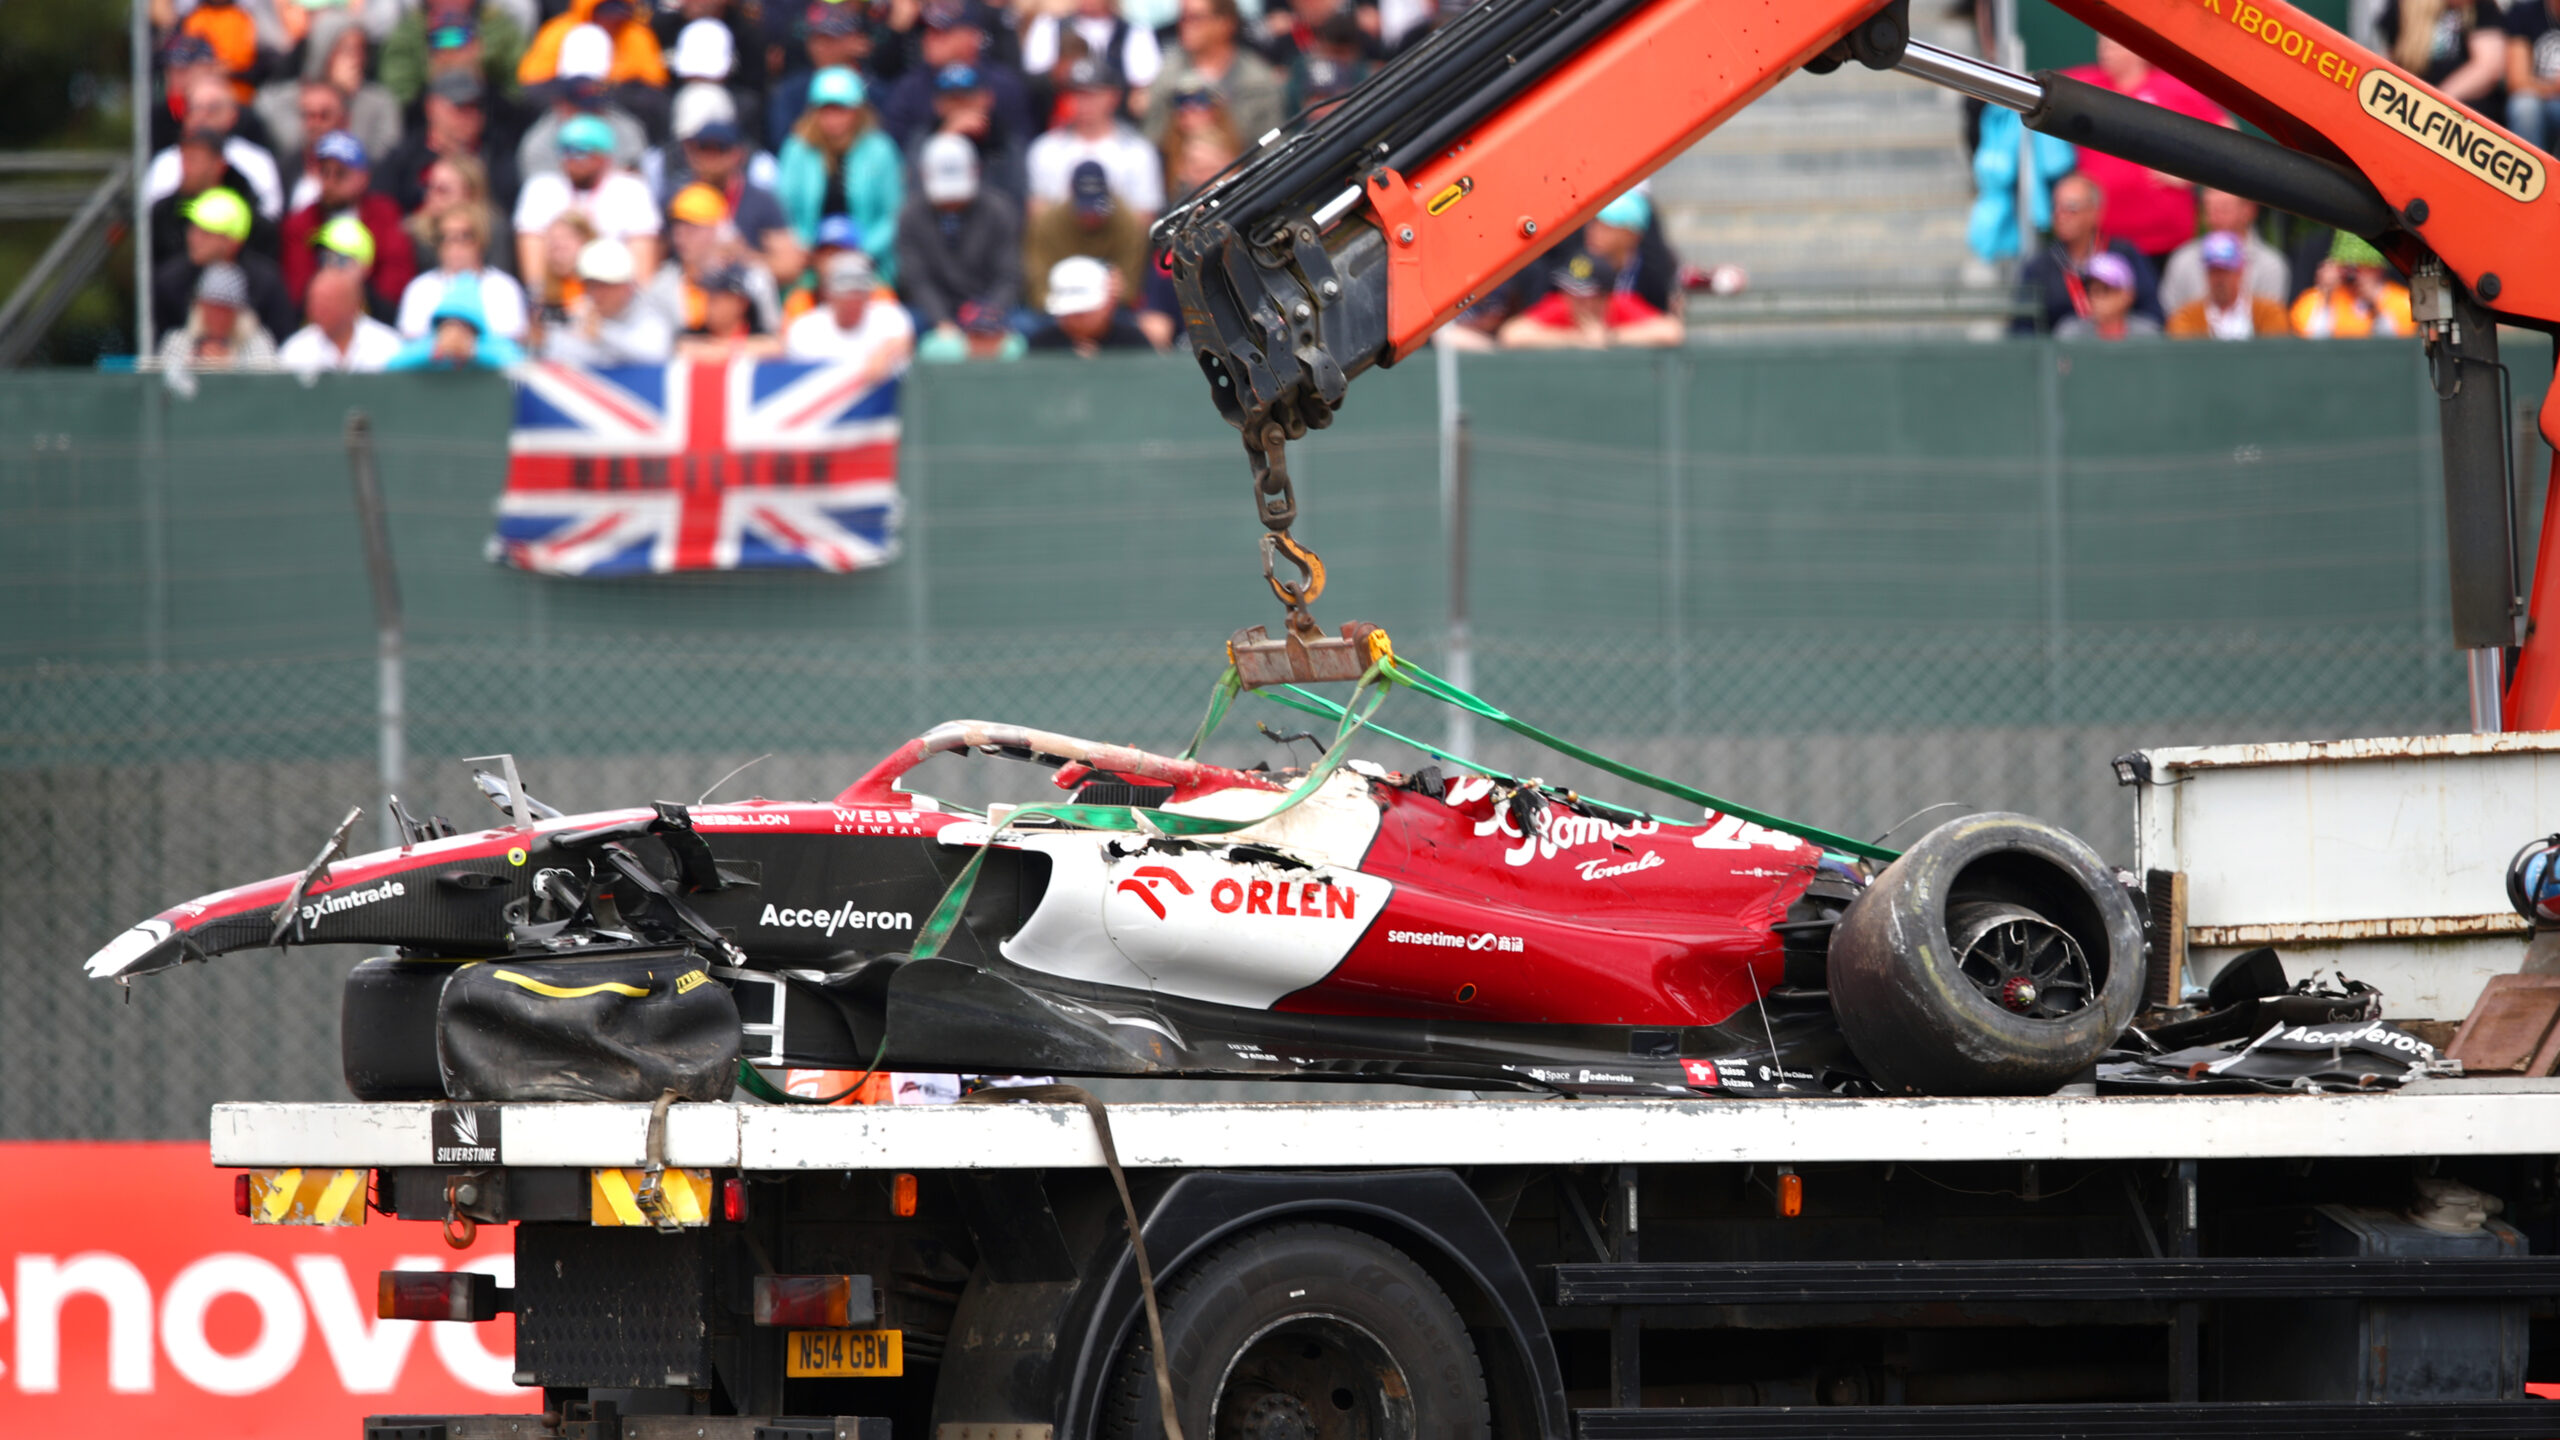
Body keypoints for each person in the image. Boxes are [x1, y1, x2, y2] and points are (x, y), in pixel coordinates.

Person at [2056, 37, 2227, 265]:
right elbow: (2044, 89)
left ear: (2138, 50)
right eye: (2102, 44)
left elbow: (2225, 133)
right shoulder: (2088, 83)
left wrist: (2189, 172)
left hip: (2166, 241)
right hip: (2103, 241)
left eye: (2114, 43)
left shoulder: (2170, 89)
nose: (2105, 51)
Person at [777, 67, 908, 277]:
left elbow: (894, 213)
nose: (833, 117)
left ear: (858, 111)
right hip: (809, 262)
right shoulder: (797, 149)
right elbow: (784, 208)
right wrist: (809, 251)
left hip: (869, 262)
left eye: (841, 109)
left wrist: (864, 251)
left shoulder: (880, 150)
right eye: (826, 109)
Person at [516, 114, 665, 297]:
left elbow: (643, 275)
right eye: (565, 150)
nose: (572, 158)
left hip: (614, 296)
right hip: (558, 295)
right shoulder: (542, 188)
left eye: (582, 150)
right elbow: (534, 277)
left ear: (604, 155)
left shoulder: (631, 190)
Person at [897, 133, 1024, 345]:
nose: (952, 201)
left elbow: (1009, 276)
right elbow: (917, 279)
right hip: (934, 311)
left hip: (990, 308)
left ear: (976, 171)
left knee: (1026, 327)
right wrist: (941, 320)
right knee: (904, 326)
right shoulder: (910, 216)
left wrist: (988, 316)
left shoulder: (1000, 211)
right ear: (924, 175)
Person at [876, 1, 1036, 161]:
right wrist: (943, 139)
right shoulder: (908, 89)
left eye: (941, 33)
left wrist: (990, 132)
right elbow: (895, 158)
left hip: (992, 179)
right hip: (927, 182)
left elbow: (1023, 152)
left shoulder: (1003, 85)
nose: (929, 39)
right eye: (926, 31)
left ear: (973, 36)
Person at [282, 131, 419, 312]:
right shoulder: (301, 223)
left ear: (363, 177)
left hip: (376, 313)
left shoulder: (385, 214)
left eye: (340, 174)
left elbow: (396, 281)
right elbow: (298, 287)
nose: (330, 182)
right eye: (324, 172)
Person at [2016, 172, 2161, 334]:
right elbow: (2023, 328)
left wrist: (2121, 308)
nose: (2060, 215)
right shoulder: (2039, 266)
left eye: (2071, 208)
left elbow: (2154, 314)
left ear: (2094, 212)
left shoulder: (2124, 253)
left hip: (2121, 349)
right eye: (2055, 207)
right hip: (2063, 352)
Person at [1026, 58, 1165, 220]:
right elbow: (1037, 215)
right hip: (1061, 242)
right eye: (1078, 94)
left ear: (1113, 97)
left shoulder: (1138, 152)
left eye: (1092, 95)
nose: (1084, 103)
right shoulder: (1045, 149)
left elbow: (1145, 218)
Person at [153, 186, 297, 342]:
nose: (193, 238)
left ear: (233, 241)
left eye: (205, 233)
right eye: (193, 228)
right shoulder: (169, 281)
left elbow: (281, 340)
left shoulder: (266, 283)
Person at [381, 72, 523, 224]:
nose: (471, 114)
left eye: (476, 106)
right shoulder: (403, 159)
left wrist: (464, 163)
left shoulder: (498, 152)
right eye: (460, 107)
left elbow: (505, 210)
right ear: (432, 108)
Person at [145, 74, 287, 221]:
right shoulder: (166, 162)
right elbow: (152, 217)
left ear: (232, 115)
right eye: (195, 108)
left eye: (213, 108)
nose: (203, 116)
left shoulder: (256, 160)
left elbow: (270, 215)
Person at [1151, 0, 1284, 148]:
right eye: (1183, 18)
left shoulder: (1257, 80)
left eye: (1194, 18)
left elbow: (1271, 149)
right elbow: (1152, 140)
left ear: (1225, 23)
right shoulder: (1167, 74)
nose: (1185, 25)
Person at [1496, 246, 1682, 349]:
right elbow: (1512, 335)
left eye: (1584, 294)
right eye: (1571, 291)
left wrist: (1610, 338)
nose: (1575, 299)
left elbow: (1671, 332)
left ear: (1603, 296)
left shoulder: (1619, 303)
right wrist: (1577, 339)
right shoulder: (1562, 304)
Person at [1024, 160, 1148, 310]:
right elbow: (1039, 290)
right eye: (1085, 208)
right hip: (1058, 309)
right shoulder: (1047, 223)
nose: (1090, 216)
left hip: (1110, 308)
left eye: (1097, 208)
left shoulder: (1127, 222)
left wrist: (1117, 292)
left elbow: (1130, 288)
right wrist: (1070, 306)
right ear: (1071, 194)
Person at [401, 204, 531, 341]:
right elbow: (410, 342)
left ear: (481, 239)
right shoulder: (420, 288)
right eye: (444, 237)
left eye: (464, 236)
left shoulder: (504, 287)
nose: (454, 245)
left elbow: (512, 344)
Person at [541, 238, 678, 366]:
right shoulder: (579, 311)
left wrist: (602, 333)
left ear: (627, 286)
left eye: (606, 285)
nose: (597, 293)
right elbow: (556, 354)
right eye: (591, 284)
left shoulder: (649, 310)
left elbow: (656, 353)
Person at [785, 251, 917, 379]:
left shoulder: (889, 316)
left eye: (859, 294)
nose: (853, 302)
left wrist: (886, 352)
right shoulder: (805, 329)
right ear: (828, 294)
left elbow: (904, 341)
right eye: (845, 295)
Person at [769, 1, 880, 149]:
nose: (819, 47)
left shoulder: (872, 91)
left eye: (829, 39)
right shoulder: (791, 91)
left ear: (853, 40)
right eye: (815, 39)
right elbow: (781, 143)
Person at [2158, 189, 2288, 316]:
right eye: (2209, 209)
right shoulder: (2182, 260)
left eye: (2223, 209)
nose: (2214, 217)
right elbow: (2171, 318)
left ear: (2249, 211)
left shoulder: (2271, 265)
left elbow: (2271, 324)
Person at [381, 2, 529, 110]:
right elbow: (398, 97)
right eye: (440, 40)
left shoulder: (499, 25)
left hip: (493, 115)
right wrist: (433, 74)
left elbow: (521, 89)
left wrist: (479, 70)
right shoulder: (408, 31)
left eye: (460, 38)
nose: (450, 50)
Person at [1023, 0, 1164, 102]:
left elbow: (1142, 89)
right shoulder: (1050, 26)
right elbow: (1034, 81)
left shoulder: (1135, 32)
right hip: (1060, 123)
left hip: (1115, 128)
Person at [519, 0, 670, 94]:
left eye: (618, 12)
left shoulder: (637, 35)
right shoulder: (559, 30)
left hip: (619, 103)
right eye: (606, 12)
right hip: (566, 97)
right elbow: (534, 78)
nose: (612, 19)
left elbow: (655, 82)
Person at [2378, 0, 2506, 108]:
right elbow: (2390, 60)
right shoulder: (2404, 7)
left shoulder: (2482, 8)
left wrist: (2438, 101)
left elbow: (2488, 67)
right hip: (2409, 101)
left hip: (2464, 108)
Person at [2165, 232, 2293, 340]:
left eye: (2226, 270)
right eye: (2213, 271)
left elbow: (2275, 354)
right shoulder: (2185, 317)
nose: (2219, 279)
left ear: (2240, 271)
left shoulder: (2268, 312)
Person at [281, 264, 406, 372]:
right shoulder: (295, 351)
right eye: (314, 301)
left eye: (327, 301)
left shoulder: (389, 347)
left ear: (354, 304)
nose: (318, 309)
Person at [2291, 232, 2415, 339]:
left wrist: (2375, 305)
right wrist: (2327, 297)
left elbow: (2398, 347)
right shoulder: (2312, 301)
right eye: (2347, 267)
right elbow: (2312, 345)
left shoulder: (2403, 301)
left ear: (2379, 269)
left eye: (2363, 266)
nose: (2354, 273)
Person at [160, 262, 280, 370]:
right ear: (200, 307)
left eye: (225, 310)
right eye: (212, 308)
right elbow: (165, 387)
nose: (218, 317)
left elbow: (265, 388)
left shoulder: (257, 343)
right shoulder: (178, 342)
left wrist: (231, 364)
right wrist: (195, 363)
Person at [1026, 255, 1154, 353]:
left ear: (1109, 303)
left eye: (1084, 311)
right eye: (1069, 312)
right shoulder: (1040, 346)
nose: (1077, 318)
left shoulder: (1133, 342)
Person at [387, 283, 528, 369]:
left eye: (463, 325)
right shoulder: (428, 345)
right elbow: (393, 365)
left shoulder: (490, 345)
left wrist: (473, 350)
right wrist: (436, 349)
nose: (455, 333)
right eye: (450, 323)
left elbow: (519, 364)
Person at [679, 263, 786, 357]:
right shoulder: (695, 333)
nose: (709, 305)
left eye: (717, 298)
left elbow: (774, 346)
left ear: (741, 303)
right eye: (708, 297)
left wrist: (718, 351)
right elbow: (681, 346)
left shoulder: (759, 334)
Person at [2051, 251, 2160, 341]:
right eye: (2089, 290)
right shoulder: (2070, 334)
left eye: (2105, 290)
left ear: (2127, 295)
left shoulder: (2148, 335)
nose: (2094, 297)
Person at [2509, 0, 2560, 148]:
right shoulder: (2526, 13)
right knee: (2524, 105)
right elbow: (2517, 81)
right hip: (2536, 100)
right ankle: (2527, 167)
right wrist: (2554, 86)